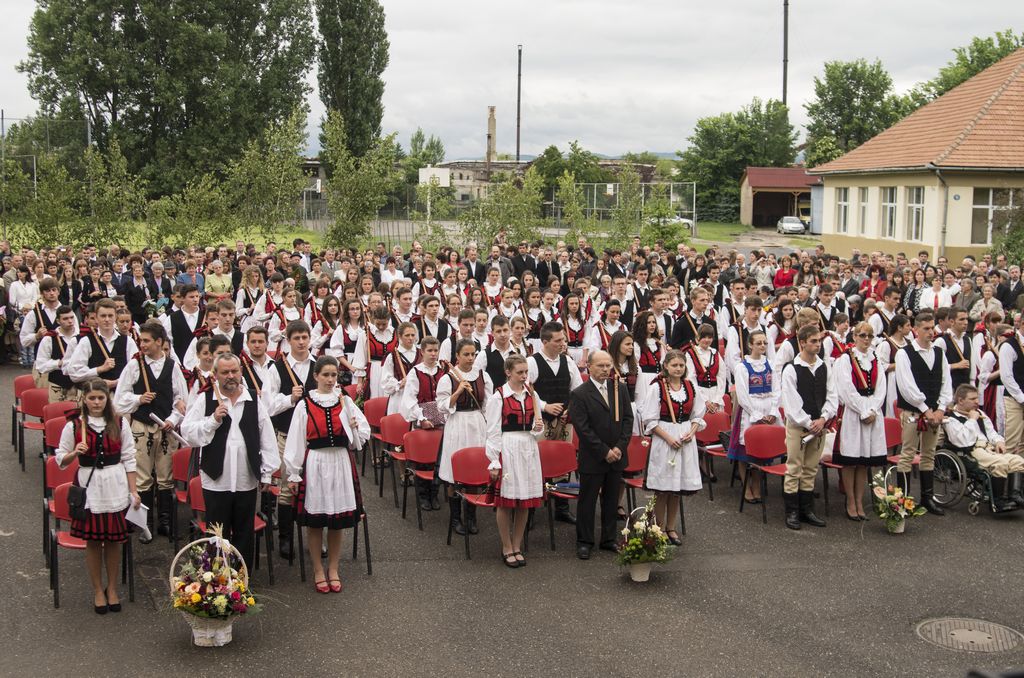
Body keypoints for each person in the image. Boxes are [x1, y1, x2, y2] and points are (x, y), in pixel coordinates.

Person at [181, 353, 280, 572]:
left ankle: (241, 582)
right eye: (225, 372)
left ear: (241, 372)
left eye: (234, 371)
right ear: (215, 375)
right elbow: (187, 432)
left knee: (245, 532)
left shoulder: (253, 399)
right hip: (216, 480)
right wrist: (213, 420)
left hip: (246, 479)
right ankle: (217, 581)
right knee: (217, 535)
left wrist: (266, 474)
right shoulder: (205, 399)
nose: (230, 376)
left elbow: (267, 439)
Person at [284, 356, 370, 593]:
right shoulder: (304, 404)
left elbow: (363, 434)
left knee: (336, 521)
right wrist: (293, 474)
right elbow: (295, 441)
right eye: (326, 375)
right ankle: (318, 569)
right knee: (316, 522)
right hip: (316, 464)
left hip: (340, 461)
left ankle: (333, 568)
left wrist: (354, 427)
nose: (331, 380)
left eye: (334, 375)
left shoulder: (345, 401)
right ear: (316, 377)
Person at [55, 380, 139, 614]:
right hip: (89, 486)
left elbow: (130, 458)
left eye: (100, 398)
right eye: (92, 398)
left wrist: (133, 491)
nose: (96, 402)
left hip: (115, 484)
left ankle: (112, 588)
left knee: (113, 540)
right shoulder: (74, 425)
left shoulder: (120, 422)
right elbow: (60, 459)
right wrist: (75, 453)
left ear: (107, 399)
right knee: (93, 542)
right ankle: (97, 590)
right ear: (84, 399)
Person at [113, 321, 188, 542]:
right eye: (141, 340)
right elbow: (119, 401)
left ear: (159, 342)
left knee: (166, 477)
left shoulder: (173, 366)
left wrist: (173, 420)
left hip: (165, 429)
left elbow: (181, 400)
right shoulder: (134, 366)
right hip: (141, 427)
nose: (142, 344)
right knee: (143, 478)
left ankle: (165, 522)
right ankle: (144, 524)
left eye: (146, 340)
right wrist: (138, 399)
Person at [569, 350, 634, 560]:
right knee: (587, 500)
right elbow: (583, 428)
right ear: (589, 367)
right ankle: (584, 541)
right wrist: (604, 450)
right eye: (601, 366)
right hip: (594, 457)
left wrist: (619, 447)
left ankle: (608, 538)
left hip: (616, 454)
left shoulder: (619, 388)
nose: (605, 370)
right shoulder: (580, 394)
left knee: (611, 499)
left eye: (608, 366)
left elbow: (627, 420)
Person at [485, 354, 545, 568]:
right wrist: (494, 461)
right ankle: (506, 545)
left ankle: (517, 544)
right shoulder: (498, 397)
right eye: (519, 372)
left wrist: (538, 430)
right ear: (508, 372)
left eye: (526, 372)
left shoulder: (532, 394)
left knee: (525, 500)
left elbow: (538, 427)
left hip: (528, 448)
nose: (524, 376)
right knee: (506, 501)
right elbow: (492, 431)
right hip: (508, 448)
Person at [641, 349, 706, 546]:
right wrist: (668, 438)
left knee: (677, 488)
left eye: (681, 365)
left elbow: (697, 415)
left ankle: (671, 527)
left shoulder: (690, 386)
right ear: (666, 367)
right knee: (663, 489)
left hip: (685, 438)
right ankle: (658, 528)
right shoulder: (657, 388)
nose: (678, 368)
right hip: (664, 438)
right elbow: (650, 419)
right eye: (674, 365)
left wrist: (692, 431)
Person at [264, 320, 318, 558]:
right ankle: (286, 539)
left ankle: (316, 540)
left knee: (315, 488)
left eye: (304, 337)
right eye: (296, 338)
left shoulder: (318, 366)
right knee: (287, 489)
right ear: (288, 340)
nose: (301, 342)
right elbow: (268, 405)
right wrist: (289, 399)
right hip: (286, 436)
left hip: (314, 439)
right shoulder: (277, 368)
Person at [779, 324, 838, 530]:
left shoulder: (824, 366)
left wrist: (823, 419)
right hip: (798, 426)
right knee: (794, 467)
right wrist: (808, 422)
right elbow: (791, 402)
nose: (817, 345)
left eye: (819, 341)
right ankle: (792, 511)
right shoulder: (791, 369)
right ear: (802, 342)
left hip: (819, 425)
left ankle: (807, 509)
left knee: (811, 468)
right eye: (813, 341)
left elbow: (832, 395)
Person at [894, 311, 952, 515]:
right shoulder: (904, 353)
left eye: (932, 328)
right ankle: (902, 501)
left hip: (934, 412)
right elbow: (907, 387)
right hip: (913, 412)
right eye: (926, 328)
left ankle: (927, 498)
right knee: (907, 454)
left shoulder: (939, 353)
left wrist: (941, 409)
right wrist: (926, 410)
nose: (930, 332)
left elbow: (946, 383)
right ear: (915, 329)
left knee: (929, 454)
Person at [527, 321, 584, 524]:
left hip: (563, 421)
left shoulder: (567, 362)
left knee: (562, 464)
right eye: (558, 340)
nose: (563, 343)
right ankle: (531, 509)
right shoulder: (532, 362)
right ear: (545, 341)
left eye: (564, 339)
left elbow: (578, 389)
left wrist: (570, 407)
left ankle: (561, 507)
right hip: (541, 421)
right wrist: (544, 406)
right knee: (536, 463)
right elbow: (526, 391)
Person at [436, 338, 492, 535]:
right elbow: (441, 406)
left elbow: (488, 405)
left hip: (477, 424)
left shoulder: (482, 375)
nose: (470, 358)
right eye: (466, 354)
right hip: (457, 424)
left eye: (473, 354)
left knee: (475, 470)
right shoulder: (448, 378)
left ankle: (471, 516)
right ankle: (455, 517)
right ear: (457, 356)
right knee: (455, 475)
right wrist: (458, 392)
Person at [833, 321, 887, 520]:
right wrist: (863, 410)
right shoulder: (845, 360)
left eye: (870, 336)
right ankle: (850, 501)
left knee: (864, 462)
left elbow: (881, 387)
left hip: (873, 411)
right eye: (862, 335)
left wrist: (873, 409)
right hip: (854, 414)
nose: (866, 339)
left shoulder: (876, 359)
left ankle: (859, 500)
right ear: (854, 337)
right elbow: (846, 388)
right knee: (851, 460)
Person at [944, 384, 1024, 512]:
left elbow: (991, 433)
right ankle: (998, 502)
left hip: (988, 448)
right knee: (1001, 463)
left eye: (977, 398)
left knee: (1017, 460)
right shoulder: (951, 419)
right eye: (973, 399)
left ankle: (1015, 496)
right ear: (960, 400)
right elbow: (962, 441)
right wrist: (971, 420)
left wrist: (999, 442)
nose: (977, 401)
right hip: (970, 451)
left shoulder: (980, 413)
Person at [728, 329, 780, 503]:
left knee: (761, 452)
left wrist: (773, 411)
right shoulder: (743, 367)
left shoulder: (771, 364)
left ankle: (757, 485)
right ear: (750, 345)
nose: (762, 346)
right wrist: (756, 414)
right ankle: (746, 485)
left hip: (768, 409)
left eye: (765, 343)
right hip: (750, 411)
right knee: (745, 452)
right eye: (758, 343)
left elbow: (776, 389)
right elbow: (742, 395)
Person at [66, 298, 136, 390]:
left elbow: (135, 371)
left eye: (110, 316)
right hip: (94, 396)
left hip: (120, 396)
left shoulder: (128, 341)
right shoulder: (86, 341)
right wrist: (99, 369)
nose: (107, 319)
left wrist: (116, 383)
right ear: (96, 317)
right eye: (103, 316)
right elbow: (74, 374)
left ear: (115, 317)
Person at [35, 305, 80, 402]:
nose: (70, 321)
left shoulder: (82, 338)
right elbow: (40, 365)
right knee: (56, 415)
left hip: (78, 386)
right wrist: (59, 363)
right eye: (65, 318)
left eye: (72, 317)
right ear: (58, 321)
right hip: (57, 386)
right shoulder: (49, 339)